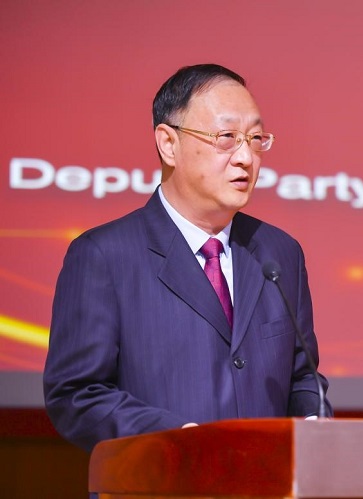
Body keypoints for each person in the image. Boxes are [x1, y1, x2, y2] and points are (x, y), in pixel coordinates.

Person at [43, 63, 331, 452]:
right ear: (168, 143)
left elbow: (303, 378)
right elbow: (77, 394)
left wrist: (314, 423)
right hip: (163, 476)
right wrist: (178, 438)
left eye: (255, 138)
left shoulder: (279, 252)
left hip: (268, 478)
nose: (246, 157)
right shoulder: (105, 255)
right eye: (227, 138)